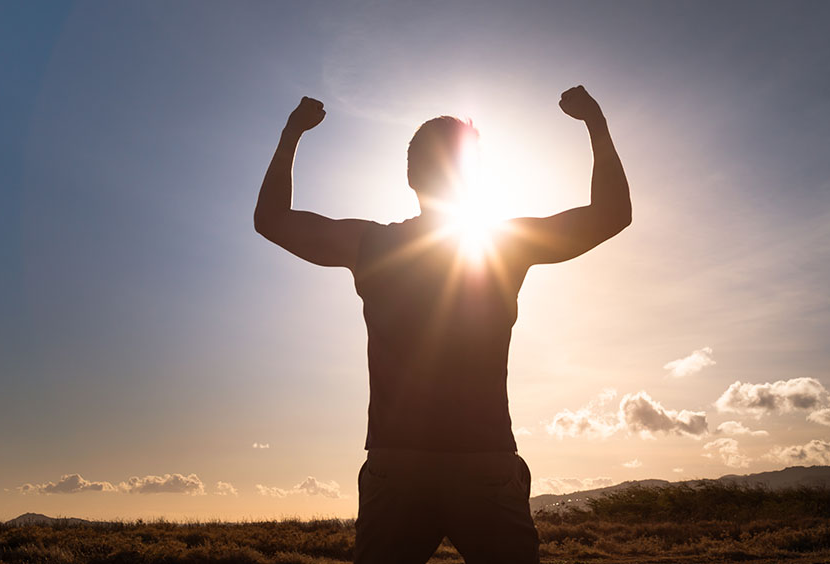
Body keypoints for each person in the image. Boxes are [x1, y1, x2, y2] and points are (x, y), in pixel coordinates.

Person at [254, 86, 631, 564]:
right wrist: (594, 122)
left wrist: (292, 134)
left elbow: (271, 219)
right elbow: (612, 214)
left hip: (398, 464)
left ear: (411, 177)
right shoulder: (505, 244)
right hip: (484, 461)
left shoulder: (370, 245)